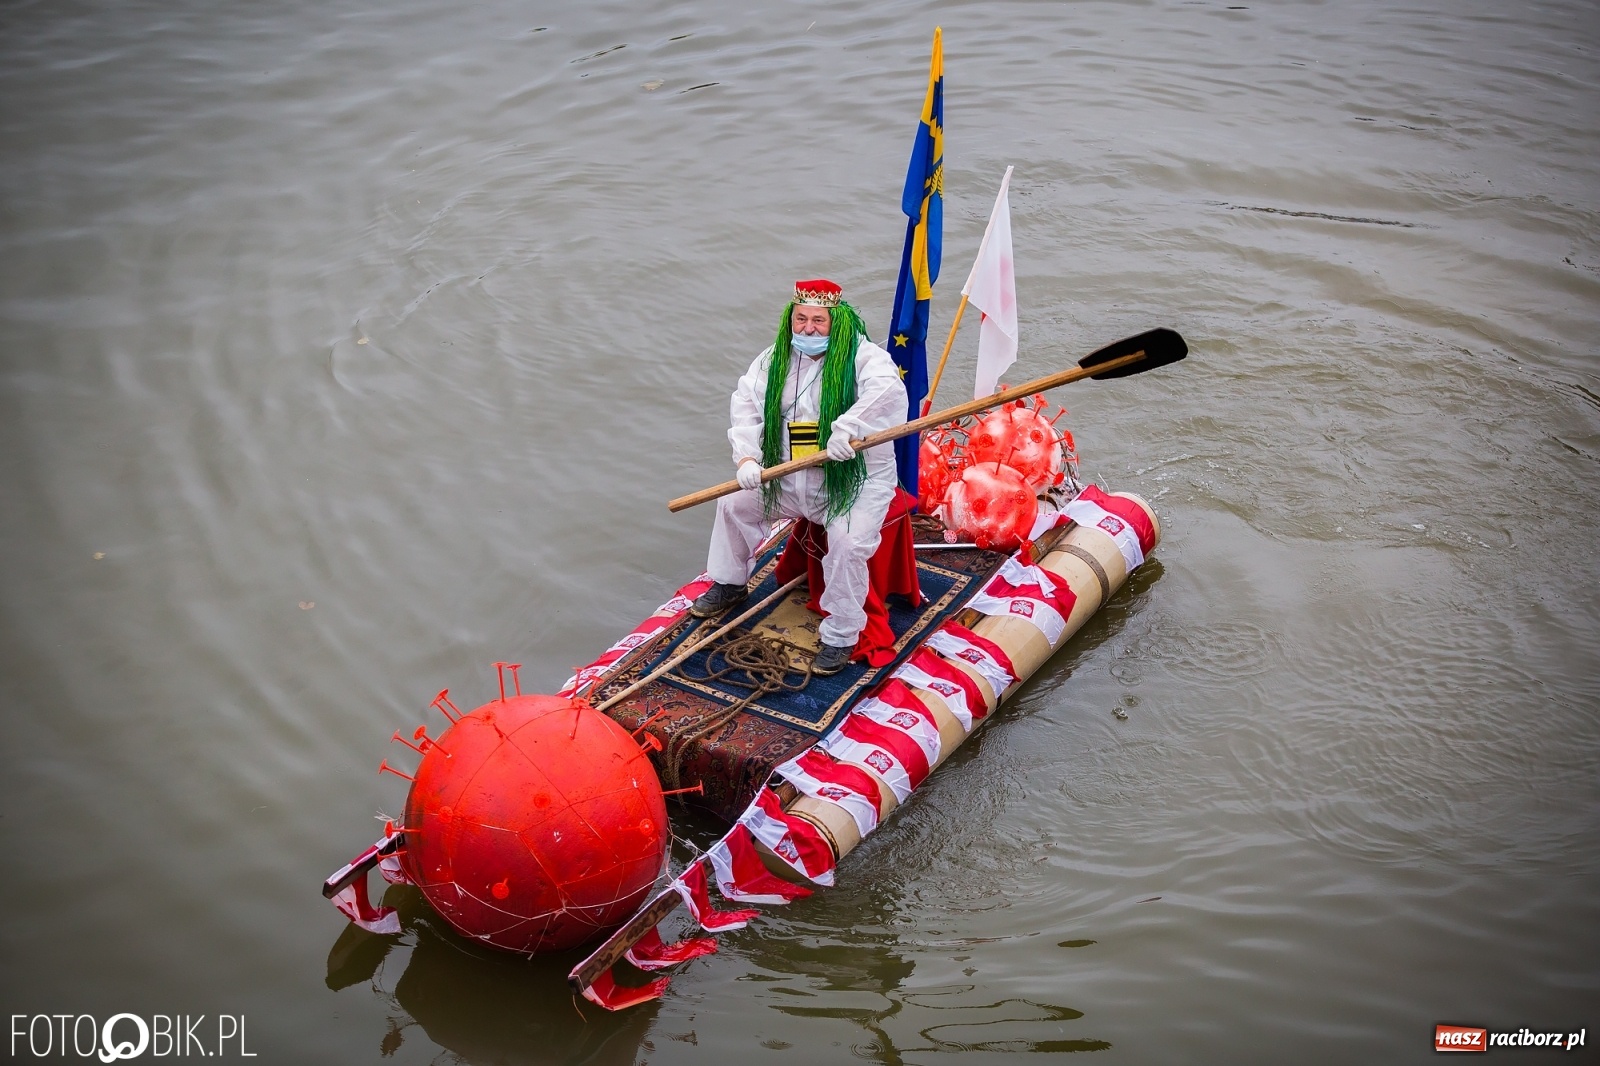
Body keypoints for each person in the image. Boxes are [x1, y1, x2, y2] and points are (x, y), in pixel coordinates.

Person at [691, 279, 908, 675]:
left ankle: (840, 635)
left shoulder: (866, 357)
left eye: (818, 321)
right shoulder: (773, 358)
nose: (807, 329)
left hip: (854, 480)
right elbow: (746, 406)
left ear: (835, 321)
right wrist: (747, 460)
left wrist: (849, 429)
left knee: (846, 542)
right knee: (733, 503)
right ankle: (730, 582)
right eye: (801, 319)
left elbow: (888, 394)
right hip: (790, 474)